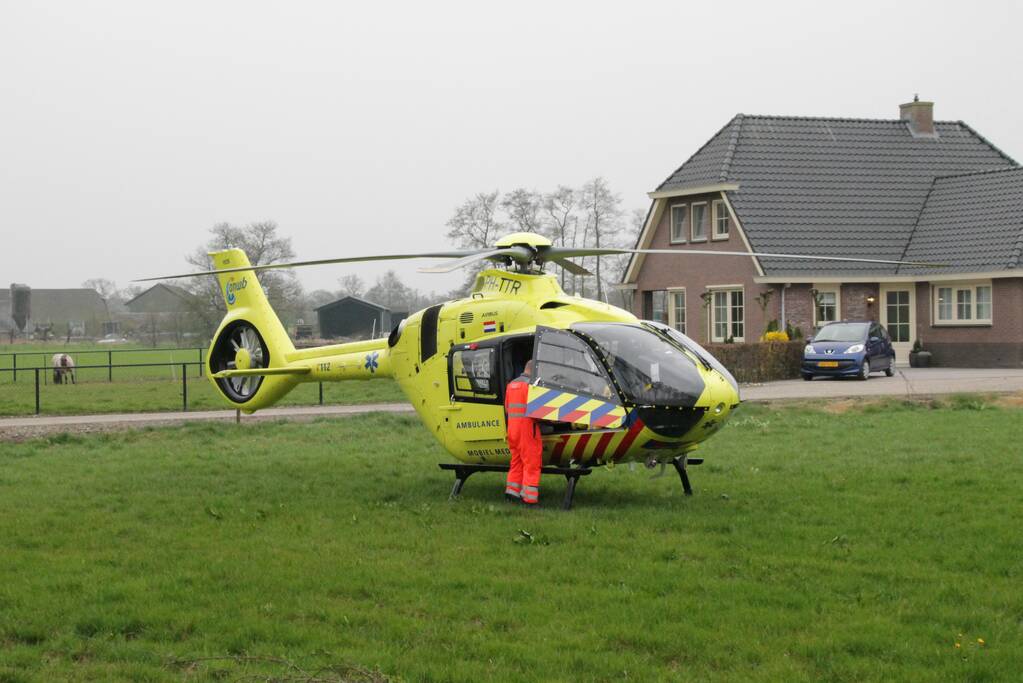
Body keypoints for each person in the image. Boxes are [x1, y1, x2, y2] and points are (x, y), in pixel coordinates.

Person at [504, 360, 543, 505]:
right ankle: (529, 498)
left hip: (513, 430)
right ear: (534, 370)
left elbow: (508, 409)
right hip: (527, 430)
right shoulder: (531, 386)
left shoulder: (511, 385)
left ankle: (512, 492)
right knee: (531, 464)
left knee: (516, 462)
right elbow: (537, 412)